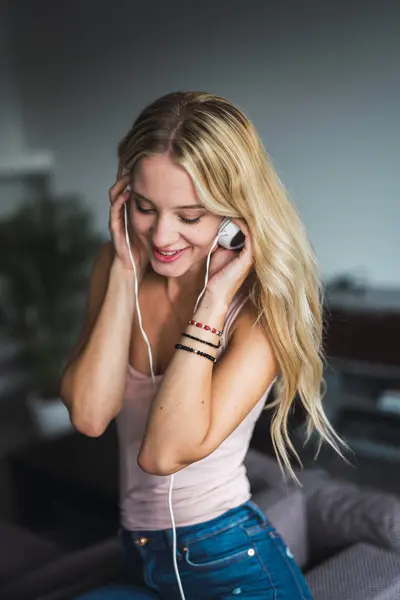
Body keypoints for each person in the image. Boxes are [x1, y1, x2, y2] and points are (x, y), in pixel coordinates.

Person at [60, 91, 347, 599]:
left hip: (231, 563)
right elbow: (89, 414)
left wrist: (214, 301)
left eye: (190, 217)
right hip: (139, 554)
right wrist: (125, 270)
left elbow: (164, 452)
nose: (162, 235)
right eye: (146, 208)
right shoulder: (119, 262)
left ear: (236, 214)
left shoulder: (261, 309)